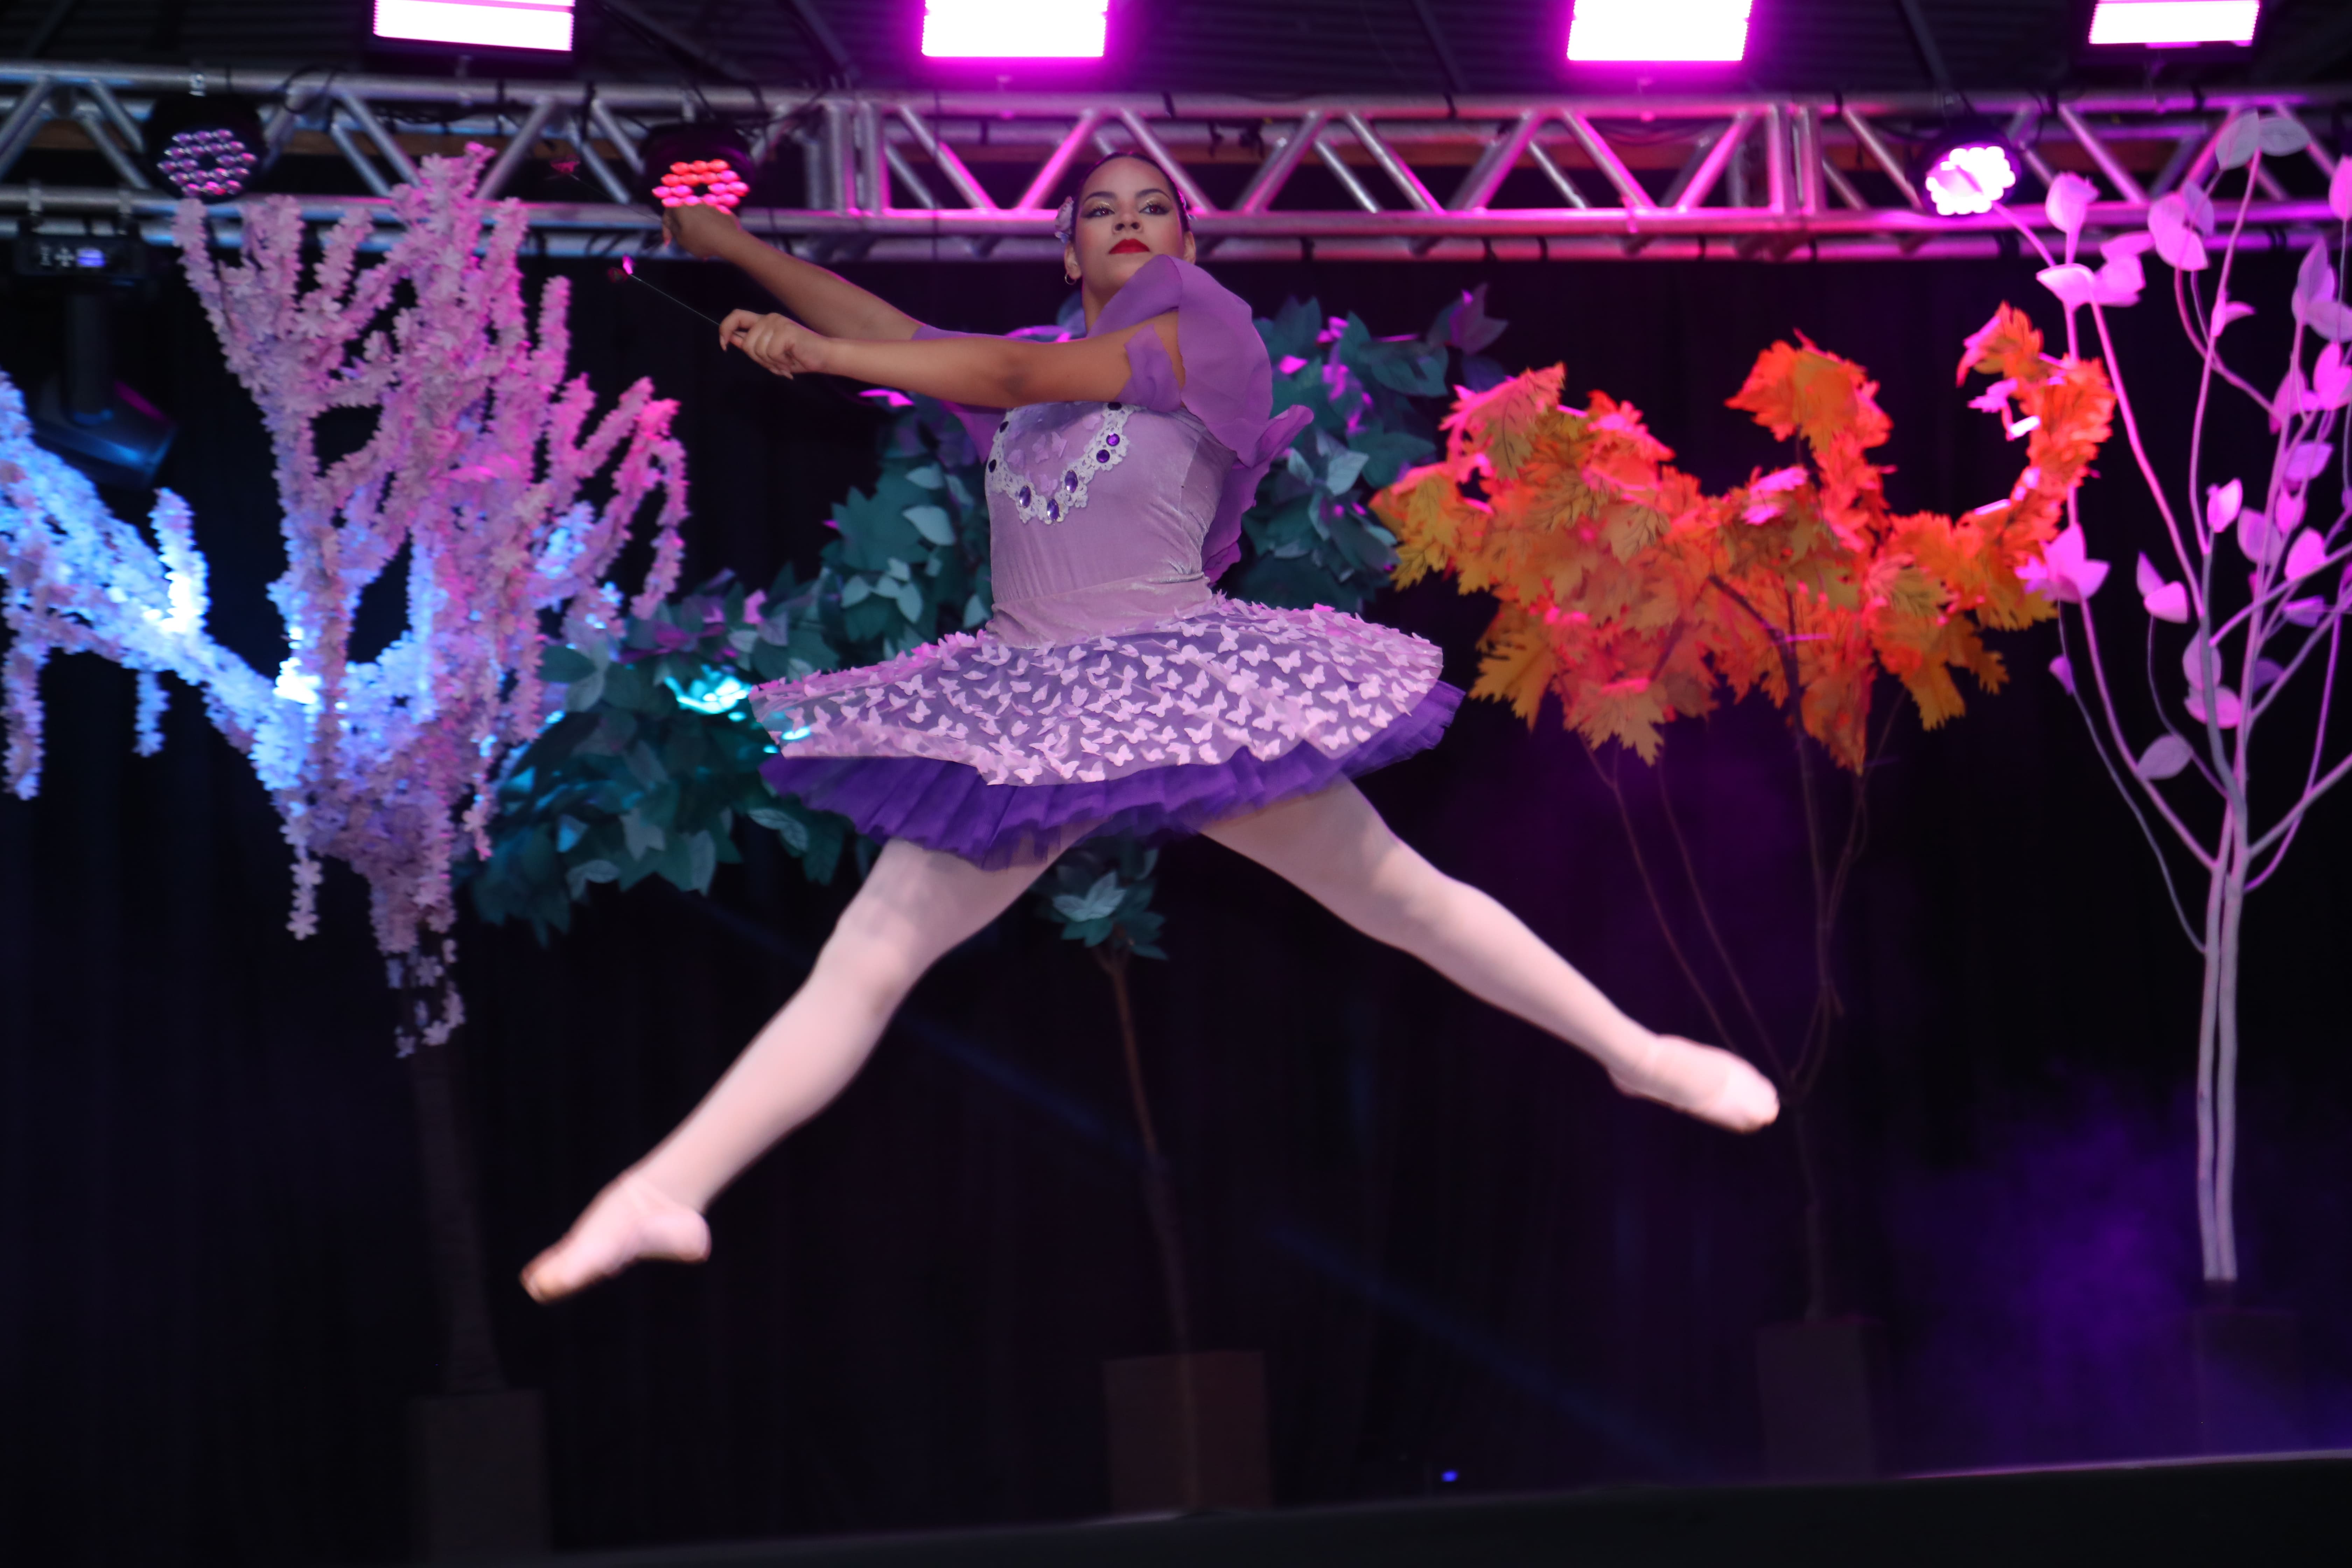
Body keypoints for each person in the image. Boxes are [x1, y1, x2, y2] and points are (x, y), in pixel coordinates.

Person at [520, 154, 1777, 1304]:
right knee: (873, 949)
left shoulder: (1205, 336)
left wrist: (814, 353)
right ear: (1067, 251)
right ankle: (662, 1190)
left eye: (1153, 208)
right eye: (1099, 211)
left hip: (1177, 683)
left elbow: (999, 374)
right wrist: (729, 246)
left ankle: (1634, 1051)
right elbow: (911, 338)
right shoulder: (1024, 375)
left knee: (1395, 892)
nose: (1127, 222)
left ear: (1186, 243)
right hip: (1027, 700)